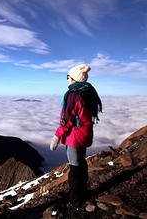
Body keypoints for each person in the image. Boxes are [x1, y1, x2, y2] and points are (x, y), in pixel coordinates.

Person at [50, 64, 102, 204]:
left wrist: (57, 136)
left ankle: (76, 197)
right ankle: (82, 191)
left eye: (68, 77)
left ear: (73, 79)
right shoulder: (88, 92)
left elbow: (67, 120)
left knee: (74, 166)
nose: (67, 79)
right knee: (81, 163)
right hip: (85, 134)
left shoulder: (74, 95)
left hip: (74, 136)